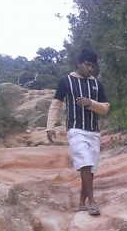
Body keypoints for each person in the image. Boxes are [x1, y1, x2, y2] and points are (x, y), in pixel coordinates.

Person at [46, 49, 110, 215]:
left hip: (93, 131)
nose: (89, 68)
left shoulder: (96, 84)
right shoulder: (66, 81)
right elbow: (56, 104)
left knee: (90, 169)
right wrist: (50, 126)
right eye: (87, 65)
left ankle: (82, 202)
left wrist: (90, 103)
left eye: (92, 66)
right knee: (85, 163)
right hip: (75, 129)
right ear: (79, 64)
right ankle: (92, 202)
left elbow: (105, 109)